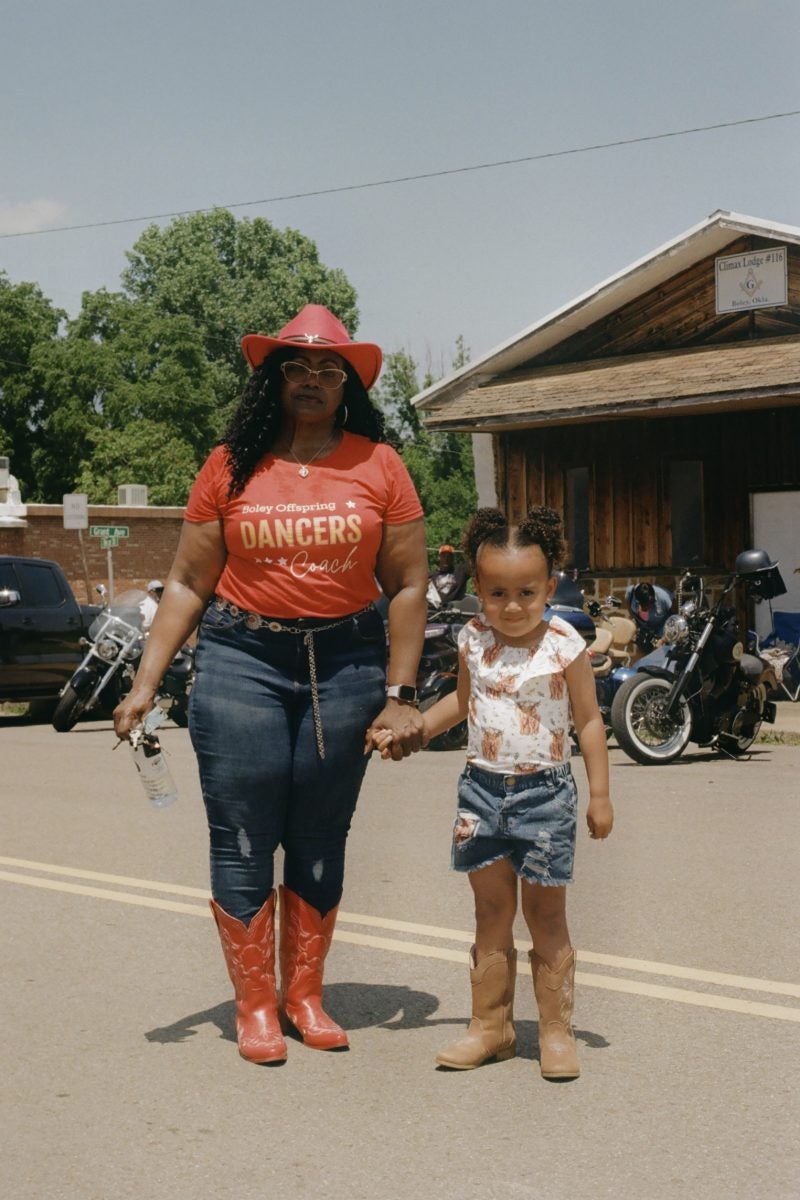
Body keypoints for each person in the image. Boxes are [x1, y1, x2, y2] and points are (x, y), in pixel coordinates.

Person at [114, 304, 428, 1065]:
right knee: (244, 832)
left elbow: (410, 583)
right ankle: (256, 1007)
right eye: (297, 366)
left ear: (349, 382)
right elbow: (189, 582)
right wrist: (144, 682)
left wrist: (401, 692)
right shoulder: (229, 464)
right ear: (275, 378)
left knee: (320, 834)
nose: (313, 379)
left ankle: (305, 996)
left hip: (347, 663)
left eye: (329, 368)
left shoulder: (379, 464)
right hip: (240, 660)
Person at [369, 505, 613, 1079]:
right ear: (478, 587)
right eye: (497, 592)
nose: (512, 605)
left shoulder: (563, 645)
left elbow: (590, 721)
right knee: (490, 911)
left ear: (550, 586)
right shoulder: (473, 638)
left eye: (527, 591)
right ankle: (490, 1028)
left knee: (546, 914)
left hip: (545, 796)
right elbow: (463, 701)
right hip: (480, 791)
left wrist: (599, 794)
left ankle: (555, 1031)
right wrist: (414, 730)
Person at [625, 581, 673, 652]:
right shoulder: (631, 593)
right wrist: (634, 621)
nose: (648, 607)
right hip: (644, 631)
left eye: (650, 603)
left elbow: (674, 620)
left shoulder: (664, 598)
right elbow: (628, 604)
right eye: (644, 606)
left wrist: (663, 639)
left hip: (662, 631)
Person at [427, 543, 469, 608]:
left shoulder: (460, 572)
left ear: (453, 558)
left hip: (455, 612)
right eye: (443, 556)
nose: (446, 559)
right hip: (435, 613)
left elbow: (473, 563)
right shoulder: (431, 576)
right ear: (439, 558)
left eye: (449, 557)